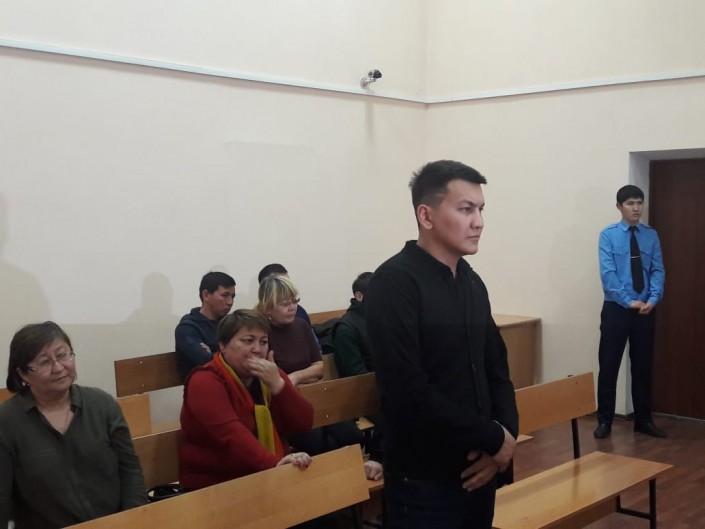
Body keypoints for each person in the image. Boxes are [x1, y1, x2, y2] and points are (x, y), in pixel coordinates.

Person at [365, 160, 519, 529]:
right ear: (426, 215)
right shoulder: (394, 283)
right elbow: (407, 390)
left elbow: (496, 367)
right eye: (466, 209)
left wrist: (505, 437)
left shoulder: (471, 282)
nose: (478, 222)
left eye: (480, 209)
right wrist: (493, 437)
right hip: (425, 479)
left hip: (481, 468)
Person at [0, 321, 147, 529]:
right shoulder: (7, 422)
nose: (58, 367)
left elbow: (130, 471)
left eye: (63, 355)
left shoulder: (102, 404)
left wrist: (133, 521)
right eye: (44, 362)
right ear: (23, 374)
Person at [179, 309, 314, 490]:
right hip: (216, 484)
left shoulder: (269, 374)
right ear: (223, 346)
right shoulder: (204, 380)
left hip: (265, 474)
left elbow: (304, 423)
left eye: (263, 342)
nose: (257, 349)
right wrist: (275, 466)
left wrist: (279, 386)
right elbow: (232, 435)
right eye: (248, 341)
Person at [257, 275, 364, 455]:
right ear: (268, 307)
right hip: (283, 406)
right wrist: (297, 379)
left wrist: (294, 377)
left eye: (294, 301)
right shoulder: (261, 334)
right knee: (323, 445)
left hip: (313, 397)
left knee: (354, 437)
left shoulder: (301, 326)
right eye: (285, 304)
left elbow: (319, 367)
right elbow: (268, 378)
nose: (292, 307)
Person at [594, 185, 666, 439]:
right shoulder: (608, 235)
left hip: (645, 310)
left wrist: (653, 298)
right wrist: (628, 301)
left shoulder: (651, 235)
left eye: (639, 202)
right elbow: (608, 274)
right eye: (630, 203)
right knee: (609, 366)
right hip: (617, 310)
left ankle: (643, 420)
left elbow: (657, 269)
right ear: (619, 207)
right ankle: (604, 420)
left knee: (643, 367)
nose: (636, 208)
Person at [175, 271, 236, 381]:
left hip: (231, 381)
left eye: (232, 296)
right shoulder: (187, 328)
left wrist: (215, 352)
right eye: (225, 295)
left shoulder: (231, 323)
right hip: (204, 385)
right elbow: (208, 361)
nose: (230, 302)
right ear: (206, 295)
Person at [333, 272, 374, 377]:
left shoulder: (383, 318)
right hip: (366, 384)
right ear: (359, 296)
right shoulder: (346, 328)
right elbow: (356, 372)